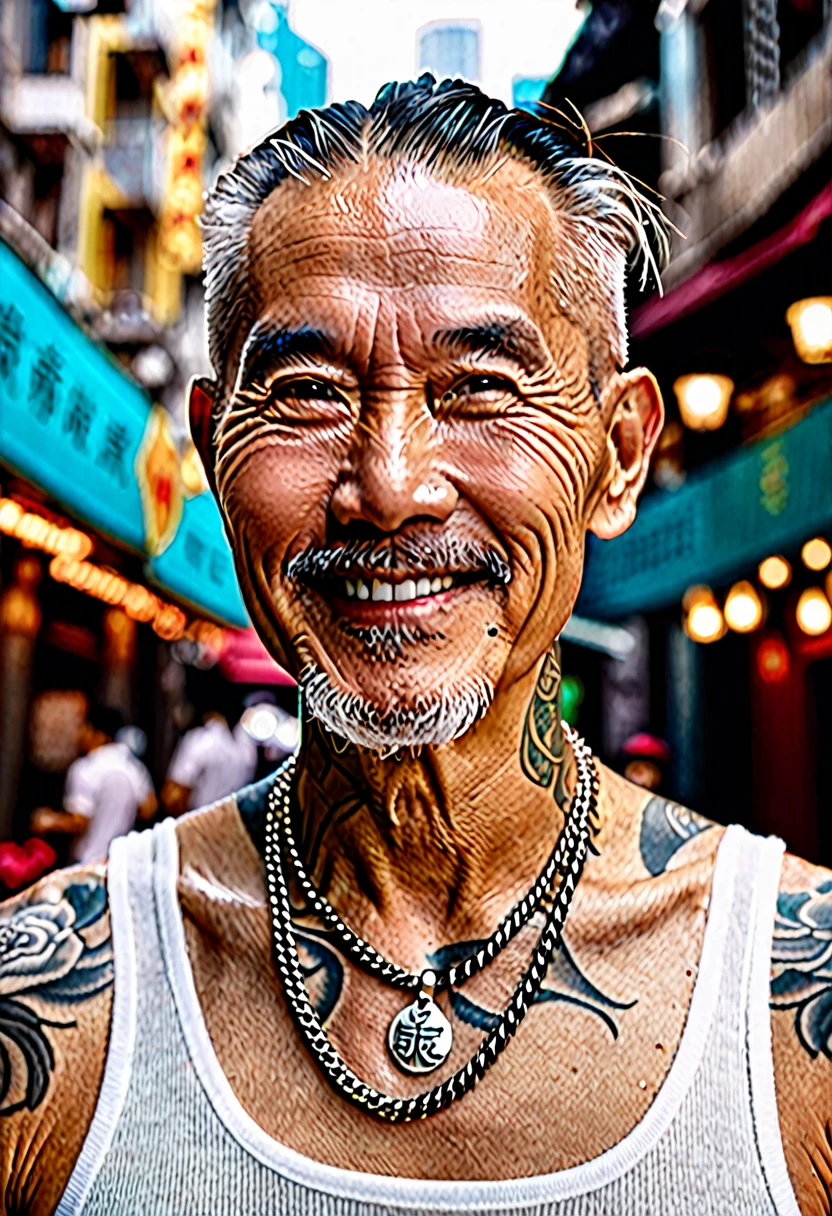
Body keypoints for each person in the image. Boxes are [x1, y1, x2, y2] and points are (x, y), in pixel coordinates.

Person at [0, 77, 827, 1215]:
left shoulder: (799, 1002)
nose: (388, 486)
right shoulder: (43, 1007)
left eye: (481, 388)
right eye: (305, 392)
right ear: (211, 449)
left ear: (619, 453)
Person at [29, 703, 157, 865]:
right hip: (121, 864)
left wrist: (49, 821)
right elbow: (148, 808)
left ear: (98, 734)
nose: (79, 735)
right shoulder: (133, 766)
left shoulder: (86, 768)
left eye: (83, 728)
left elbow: (79, 822)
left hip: (87, 861)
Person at [161, 709, 258, 816]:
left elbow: (173, 798)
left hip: (201, 821)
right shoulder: (247, 749)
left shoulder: (201, 740)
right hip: (234, 822)